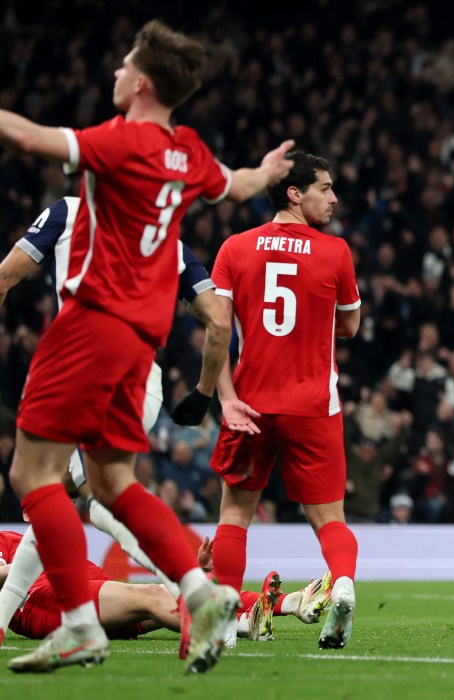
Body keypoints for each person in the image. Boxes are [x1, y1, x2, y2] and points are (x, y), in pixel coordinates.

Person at [0, 19, 293, 674]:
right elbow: (239, 185)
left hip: (89, 324)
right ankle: (202, 595)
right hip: (141, 343)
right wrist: (267, 170)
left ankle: (80, 626)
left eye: (124, 64)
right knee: (112, 482)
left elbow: (26, 137)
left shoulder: (117, 141)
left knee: (32, 475)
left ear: (141, 83)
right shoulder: (188, 152)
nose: (115, 73)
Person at [0, 195, 228, 646]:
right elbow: (219, 320)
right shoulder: (168, 242)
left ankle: (193, 592)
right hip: (141, 381)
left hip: (88, 377)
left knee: (88, 494)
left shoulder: (68, 212)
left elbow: (5, 276)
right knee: (60, 494)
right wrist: (204, 392)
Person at [206, 151, 361, 651]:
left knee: (235, 514)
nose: (333, 198)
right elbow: (350, 326)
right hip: (314, 404)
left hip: (249, 403)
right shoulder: (335, 251)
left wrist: (222, 396)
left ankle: (225, 621)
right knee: (329, 518)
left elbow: (217, 329)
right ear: (295, 193)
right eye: (325, 188)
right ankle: (342, 585)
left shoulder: (235, 247)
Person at [0, 531, 335, 645]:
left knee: (180, 590)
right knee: (156, 596)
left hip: (79, 592)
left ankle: (292, 603)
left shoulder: (10, 537)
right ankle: (240, 625)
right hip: (44, 602)